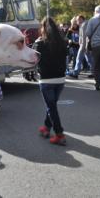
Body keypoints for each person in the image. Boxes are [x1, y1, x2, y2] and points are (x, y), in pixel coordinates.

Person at [33, 17, 68, 145]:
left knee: (51, 107)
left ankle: (59, 134)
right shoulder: (62, 42)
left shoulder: (40, 43)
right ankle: (46, 128)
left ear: (43, 28)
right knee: (52, 106)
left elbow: (34, 60)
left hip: (46, 79)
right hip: (60, 79)